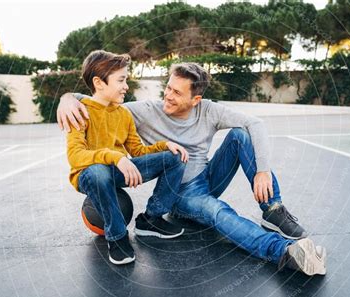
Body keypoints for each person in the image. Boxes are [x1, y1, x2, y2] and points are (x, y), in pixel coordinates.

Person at [59, 62, 327, 276]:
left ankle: (273, 209)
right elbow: (102, 101)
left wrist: (263, 170)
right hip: (184, 192)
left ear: (196, 98)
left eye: (177, 92)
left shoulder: (209, 110)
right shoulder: (144, 110)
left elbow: (255, 123)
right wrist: (68, 97)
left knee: (240, 135)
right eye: (168, 87)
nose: (168, 95)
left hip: (209, 176)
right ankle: (284, 252)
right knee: (218, 211)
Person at [67, 50, 189, 265]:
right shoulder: (80, 111)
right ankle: (117, 236)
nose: (126, 86)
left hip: (119, 169)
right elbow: (76, 156)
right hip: (90, 175)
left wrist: (165, 146)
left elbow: (138, 151)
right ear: (99, 83)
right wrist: (114, 156)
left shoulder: (123, 114)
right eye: (121, 80)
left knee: (175, 157)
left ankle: (151, 219)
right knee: (98, 170)